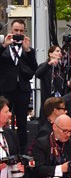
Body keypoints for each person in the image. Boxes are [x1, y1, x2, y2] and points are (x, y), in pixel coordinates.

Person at [0, 19, 38, 148]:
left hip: (23, 89)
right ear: (11, 31)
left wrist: (28, 51)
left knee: (22, 122)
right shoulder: (3, 47)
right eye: (16, 30)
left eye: (21, 31)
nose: (18, 33)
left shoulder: (28, 50)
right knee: (3, 119)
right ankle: (4, 148)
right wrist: (4, 45)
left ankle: (22, 152)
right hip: (5, 89)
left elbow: (35, 68)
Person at [35, 45, 66, 116]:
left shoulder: (60, 68)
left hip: (58, 98)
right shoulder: (44, 65)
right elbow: (38, 74)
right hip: (47, 99)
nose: (59, 53)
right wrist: (49, 64)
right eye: (57, 51)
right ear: (50, 54)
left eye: (60, 51)